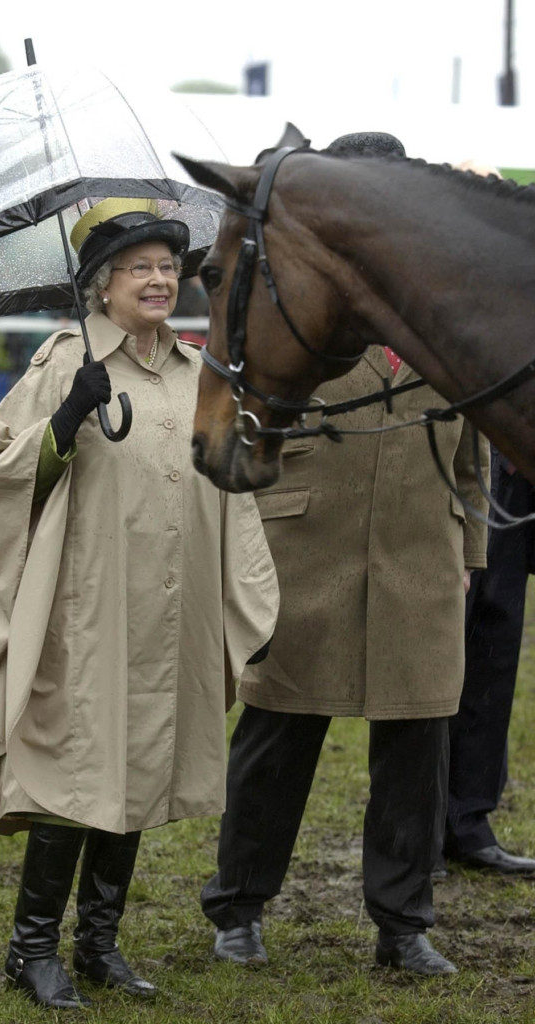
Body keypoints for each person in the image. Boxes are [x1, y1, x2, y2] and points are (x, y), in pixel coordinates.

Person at [0, 197, 279, 1011]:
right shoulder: (63, 361)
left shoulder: (197, 372)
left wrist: (249, 598)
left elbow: (232, 492)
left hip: (172, 615)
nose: (158, 279)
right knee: (75, 771)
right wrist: (65, 420)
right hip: (88, 613)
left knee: (137, 765)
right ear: (100, 286)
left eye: (168, 267)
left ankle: (99, 944)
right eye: (139, 267)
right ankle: (30, 949)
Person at [200, 132, 490, 978]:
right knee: (277, 738)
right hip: (305, 552)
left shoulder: (444, 311)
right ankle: (238, 906)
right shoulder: (294, 302)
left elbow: (472, 458)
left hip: (422, 561)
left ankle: (403, 925)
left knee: (416, 753)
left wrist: (467, 551)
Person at [444, 447, 535, 873]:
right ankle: (416, 832)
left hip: (516, 476)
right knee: (439, 656)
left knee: (494, 646)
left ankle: (468, 822)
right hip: (455, 460)